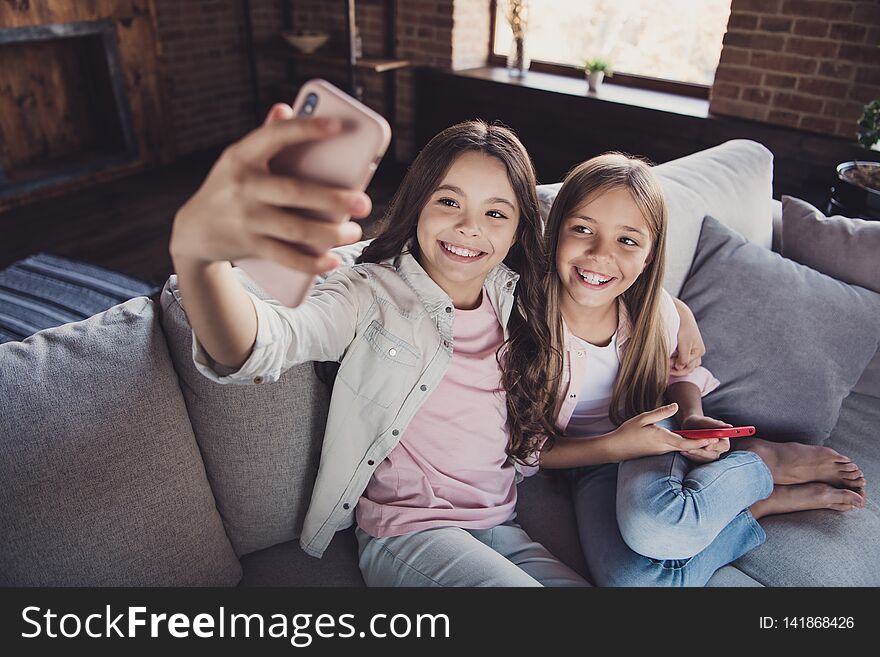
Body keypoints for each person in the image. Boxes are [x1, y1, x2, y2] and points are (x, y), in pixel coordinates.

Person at [169, 104, 597, 586]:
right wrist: (200, 255)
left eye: (495, 212)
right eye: (448, 202)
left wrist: (678, 317)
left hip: (500, 523)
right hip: (408, 533)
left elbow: (615, 277)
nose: (469, 227)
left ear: (519, 228)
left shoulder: (518, 299)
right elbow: (258, 345)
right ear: (418, 204)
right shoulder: (368, 292)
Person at [518, 153, 867, 586]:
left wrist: (691, 417)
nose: (600, 254)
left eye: (627, 241)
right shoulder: (523, 327)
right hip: (596, 461)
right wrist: (618, 446)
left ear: (648, 257)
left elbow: (678, 376)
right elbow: (528, 451)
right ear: (554, 234)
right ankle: (759, 503)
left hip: (653, 444)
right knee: (637, 583)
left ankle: (761, 459)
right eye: (583, 229)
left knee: (657, 524)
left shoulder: (653, 315)